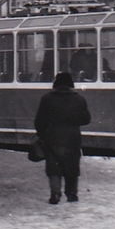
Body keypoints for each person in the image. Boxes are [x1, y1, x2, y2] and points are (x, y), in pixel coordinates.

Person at [33, 71, 91, 204]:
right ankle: (71, 194)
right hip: (73, 137)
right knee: (72, 165)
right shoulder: (80, 99)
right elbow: (86, 119)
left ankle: (55, 194)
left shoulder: (47, 98)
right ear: (71, 83)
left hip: (53, 135)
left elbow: (39, 120)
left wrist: (42, 134)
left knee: (54, 166)